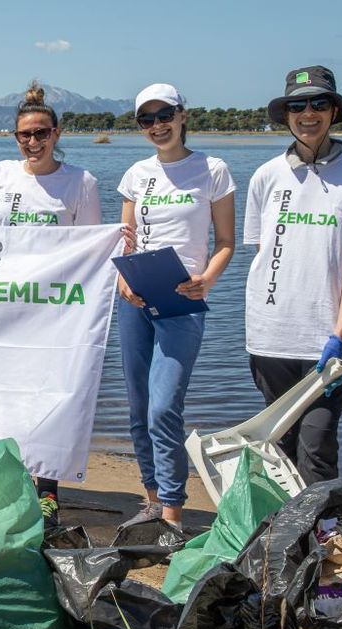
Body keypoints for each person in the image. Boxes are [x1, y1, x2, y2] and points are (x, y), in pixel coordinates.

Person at [244, 65, 342, 483]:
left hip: (328, 342)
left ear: (334, 111)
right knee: (278, 449)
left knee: (317, 446)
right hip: (270, 336)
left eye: (318, 103)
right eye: (297, 105)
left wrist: (339, 338)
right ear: (286, 114)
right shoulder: (266, 176)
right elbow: (264, 252)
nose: (308, 113)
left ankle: (322, 537)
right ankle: (284, 539)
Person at [0, 81, 101, 523]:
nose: (33, 142)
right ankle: (4, 479)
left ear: (57, 134)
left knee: (48, 396)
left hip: (56, 311)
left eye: (41, 133)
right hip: (5, 304)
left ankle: (47, 488)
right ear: (16, 137)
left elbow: (91, 249)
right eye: (25, 134)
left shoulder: (80, 182)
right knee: (2, 392)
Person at [116, 83, 235, 529]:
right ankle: (151, 498)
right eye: (146, 119)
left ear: (183, 115)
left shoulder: (212, 170)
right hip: (135, 298)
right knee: (138, 403)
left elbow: (226, 242)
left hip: (182, 300)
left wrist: (208, 279)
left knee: (164, 406)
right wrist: (122, 279)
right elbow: (124, 241)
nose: (156, 126)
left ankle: (172, 512)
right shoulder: (136, 174)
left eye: (164, 115)